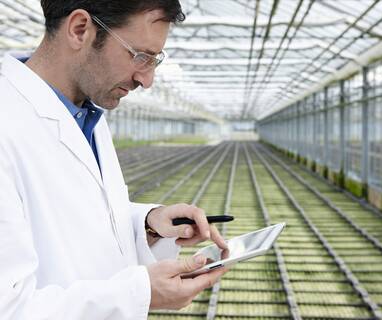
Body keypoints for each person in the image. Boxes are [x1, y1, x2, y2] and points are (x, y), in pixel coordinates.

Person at [0, 1, 229, 319]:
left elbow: (72, 216)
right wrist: (141, 293)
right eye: (140, 56)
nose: (146, 80)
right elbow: (9, 309)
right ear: (80, 29)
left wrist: (148, 225)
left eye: (155, 60)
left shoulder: (88, 112)